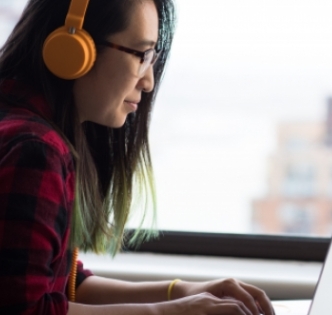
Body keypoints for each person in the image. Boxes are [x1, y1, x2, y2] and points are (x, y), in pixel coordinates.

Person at [0, 0, 275, 314]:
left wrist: (180, 292)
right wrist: (170, 312)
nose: (148, 82)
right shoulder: (35, 151)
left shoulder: (25, 130)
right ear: (74, 49)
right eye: (141, 55)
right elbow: (26, 309)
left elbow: (63, 285)